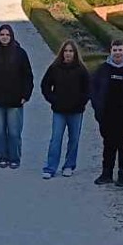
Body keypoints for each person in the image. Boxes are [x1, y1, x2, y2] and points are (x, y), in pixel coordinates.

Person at [0, 23, 34, 169]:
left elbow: (27, 76)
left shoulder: (20, 53)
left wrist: (25, 95)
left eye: (7, 35)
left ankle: (14, 158)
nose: (4, 37)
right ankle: (2, 157)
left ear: (11, 36)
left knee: (14, 132)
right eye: (2, 35)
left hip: (15, 100)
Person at [88, 38, 123, 186]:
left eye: (120, 50)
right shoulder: (103, 69)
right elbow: (93, 89)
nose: (117, 53)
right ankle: (106, 173)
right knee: (108, 145)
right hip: (107, 115)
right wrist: (97, 108)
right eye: (115, 50)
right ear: (110, 51)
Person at [39, 38, 92, 179]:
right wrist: (52, 99)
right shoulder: (54, 68)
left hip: (76, 111)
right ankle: (50, 167)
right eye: (66, 51)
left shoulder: (81, 70)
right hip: (59, 111)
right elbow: (45, 85)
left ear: (75, 53)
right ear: (62, 53)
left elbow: (88, 89)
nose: (68, 54)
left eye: (71, 51)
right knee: (55, 139)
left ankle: (69, 165)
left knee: (74, 139)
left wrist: (81, 102)